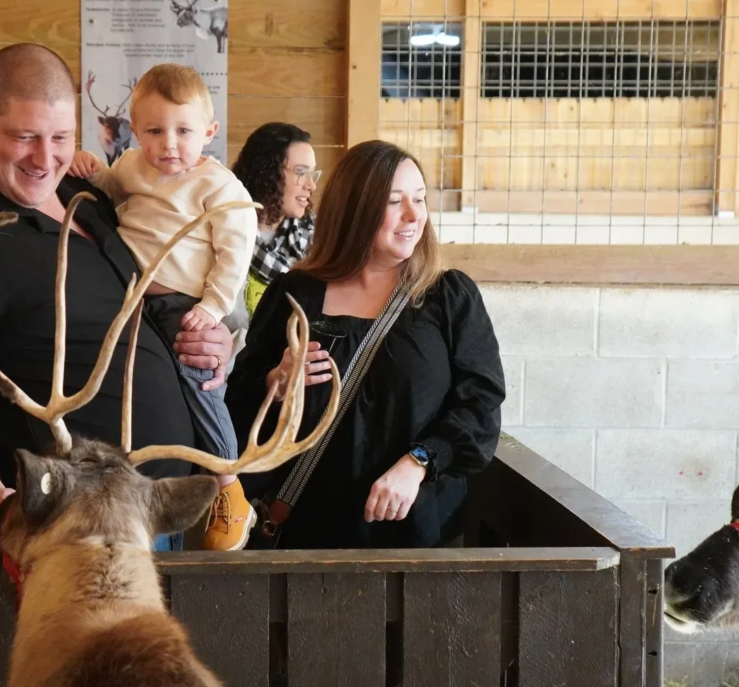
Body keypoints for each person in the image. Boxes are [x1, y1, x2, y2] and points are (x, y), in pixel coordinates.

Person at [0, 44, 234, 553]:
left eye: (61, 137)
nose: (44, 158)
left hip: (157, 508)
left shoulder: (82, 194)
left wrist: (209, 340)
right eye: (24, 136)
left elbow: (143, 304)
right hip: (71, 532)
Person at [225, 140, 506, 550]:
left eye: (420, 199)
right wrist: (275, 381)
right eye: (395, 202)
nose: (414, 216)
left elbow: (481, 403)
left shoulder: (447, 296)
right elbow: (238, 398)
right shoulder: (294, 293)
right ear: (354, 209)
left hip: (414, 538)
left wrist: (420, 462)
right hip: (302, 533)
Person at [68, 64, 259, 551]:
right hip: (131, 298)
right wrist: (91, 168)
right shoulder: (132, 166)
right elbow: (107, 192)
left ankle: (228, 485)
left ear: (209, 133)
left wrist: (213, 308)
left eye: (184, 131)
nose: (168, 144)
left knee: (197, 382)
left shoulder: (218, 186)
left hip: (184, 303)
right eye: (154, 131)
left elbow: (237, 251)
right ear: (135, 131)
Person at [231, 122, 319, 316]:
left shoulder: (317, 237)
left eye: (312, 174)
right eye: (301, 173)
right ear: (267, 172)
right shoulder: (223, 230)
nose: (311, 185)